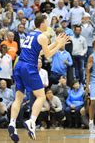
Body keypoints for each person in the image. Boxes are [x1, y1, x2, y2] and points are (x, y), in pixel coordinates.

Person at [8, 14, 70, 142]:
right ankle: (32, 121)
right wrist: (59, 45)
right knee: (41, 96)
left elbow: (40, 52)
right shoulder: (42, 36)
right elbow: (47, 56)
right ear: (42, 23)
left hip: (19, 66)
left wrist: (56, 43)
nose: (47, 25)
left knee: (18, 98)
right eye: (46, 22)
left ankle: (12, 124)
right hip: (29, 68)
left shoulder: (30, 34)